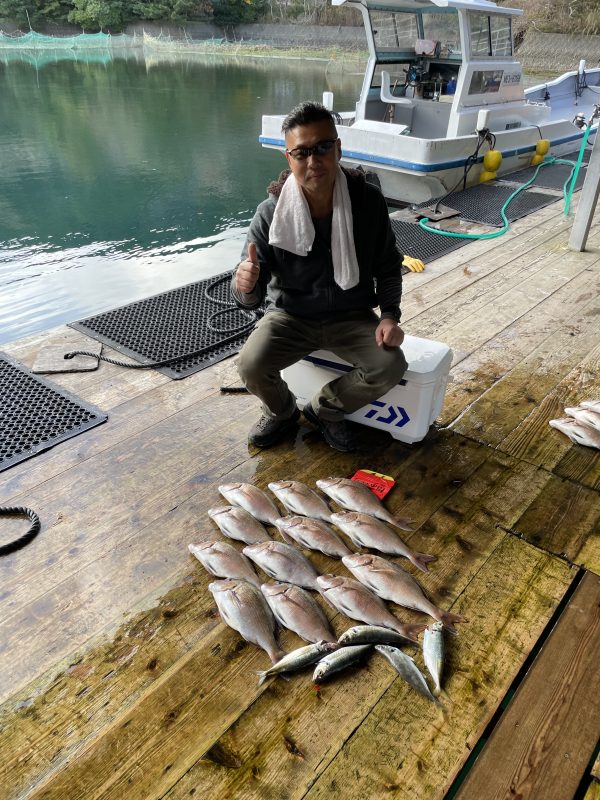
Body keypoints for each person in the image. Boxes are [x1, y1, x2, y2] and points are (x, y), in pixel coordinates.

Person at [231, 101, 424, 452]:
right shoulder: (270, 214)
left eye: (322, 147)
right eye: (301, 152)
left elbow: (387, 266)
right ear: (288, 158)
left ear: (338, 148)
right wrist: (244, 284)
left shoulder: (368, 203)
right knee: (250, 365)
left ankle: (324, 409)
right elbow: (251, 293)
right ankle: (282, 411)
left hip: (351, 315)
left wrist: (389, 316)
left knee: (390, 364)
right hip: (290, 315)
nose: (313, 161)